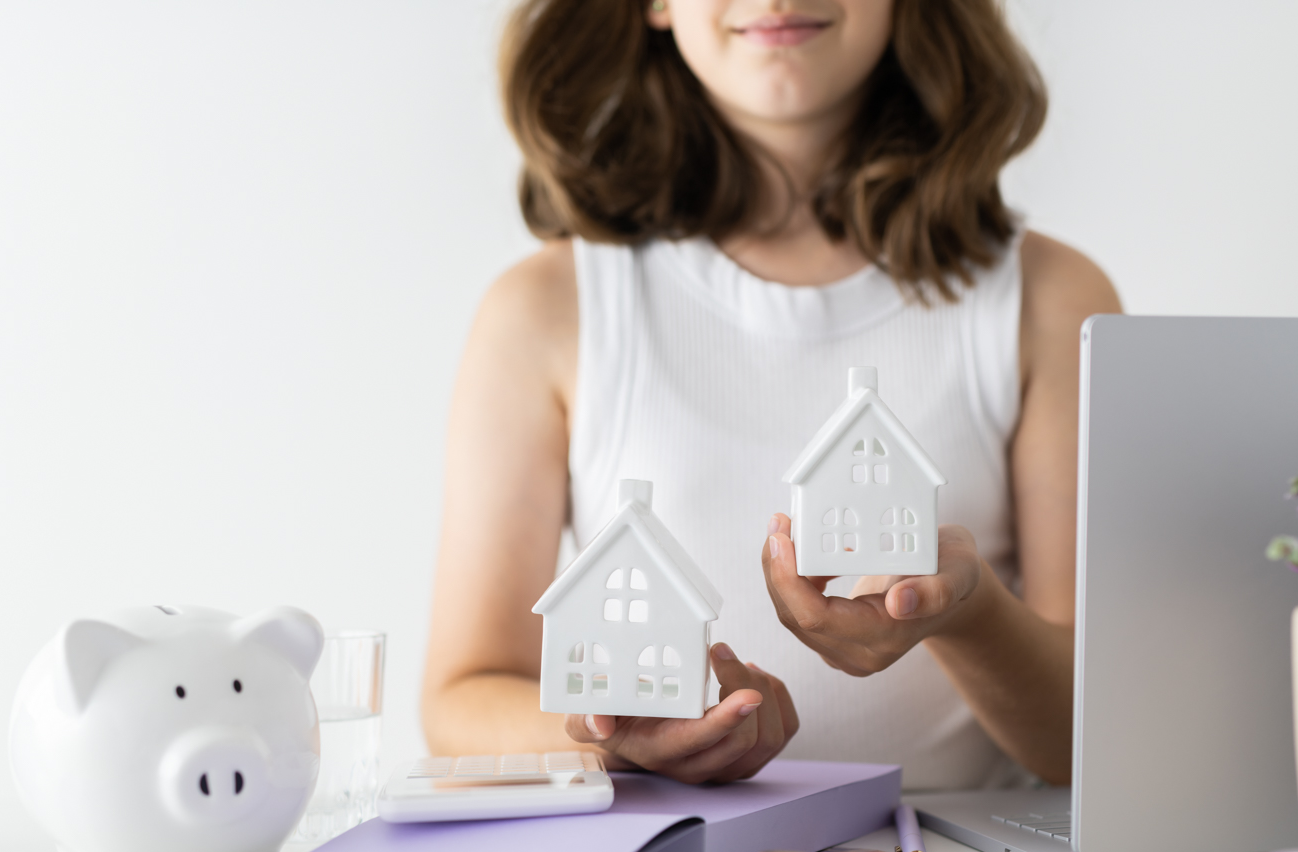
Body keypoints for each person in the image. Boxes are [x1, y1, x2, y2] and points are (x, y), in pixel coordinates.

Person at [421, 0, 1121, 790]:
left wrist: (969, 612)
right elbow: (460, 700)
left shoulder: (1053, 303)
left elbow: (1095, 739)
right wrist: (615, 739)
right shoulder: (545, 309)